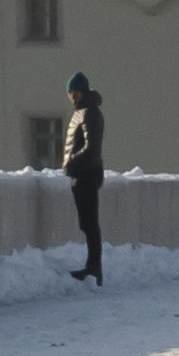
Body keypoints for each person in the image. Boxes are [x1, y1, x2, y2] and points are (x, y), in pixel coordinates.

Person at [62, 72, 106, 284]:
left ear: (82, 92)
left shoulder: (90, 113)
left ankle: (94, 267)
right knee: (87, 224)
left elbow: (92, 149)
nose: (72, 97)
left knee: (90, 224)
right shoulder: (83, 112)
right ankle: (92, 266)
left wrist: (71, 163)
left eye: (75, 93)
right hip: (81, 175)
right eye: (70, 93)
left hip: (86, 175)